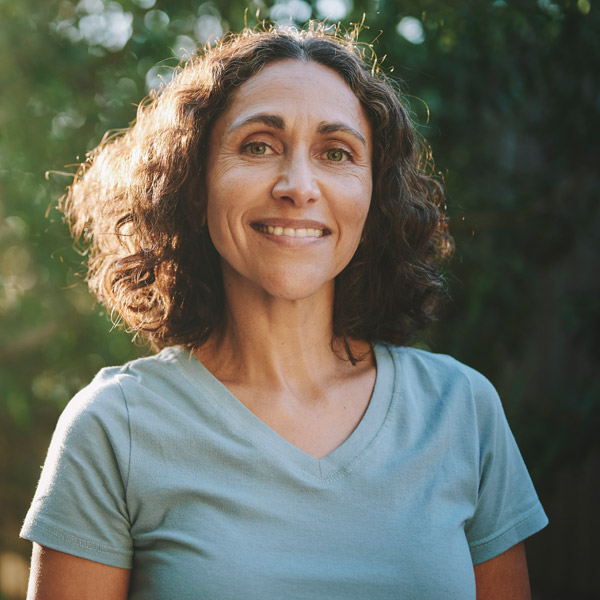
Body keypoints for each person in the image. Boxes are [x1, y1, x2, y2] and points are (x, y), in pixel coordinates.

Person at [20, 24, 547, 599]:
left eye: (336, 153)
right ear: (195, 186)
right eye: (258, 146)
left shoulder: (462, 412)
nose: (299, 186)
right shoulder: (113, 426)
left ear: (374, 196)